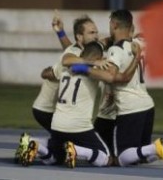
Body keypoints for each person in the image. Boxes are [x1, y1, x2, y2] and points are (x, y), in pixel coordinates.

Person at [71, 9, 163, 168]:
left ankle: (157, 147)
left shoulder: (116, 50)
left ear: (114, 24)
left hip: (130, 108)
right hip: (147, 105)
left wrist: (87, 69)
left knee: (121, 159)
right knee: (140, 154)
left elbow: (113, 76)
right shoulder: (140, 44)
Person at [14, 13, 109, 165]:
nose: (97, 36)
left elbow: (74, 50)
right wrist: (93, 63)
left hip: (58, 115)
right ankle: (67, 149)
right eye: (92, 32)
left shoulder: (79, 52)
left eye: (97, 32)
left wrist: (60, 33)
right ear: (79, 37)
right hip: (49, 109)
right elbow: (61, 62)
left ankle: (35, 144)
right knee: (99, 155)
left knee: (56, 155)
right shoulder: (73, 57)